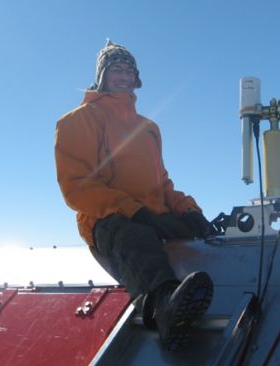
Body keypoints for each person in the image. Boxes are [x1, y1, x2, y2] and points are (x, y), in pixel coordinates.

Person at [54, 40, 215, 351]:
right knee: (136, 238)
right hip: (107, 218)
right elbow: (76, 187)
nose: (124, 76)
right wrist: (134, 211)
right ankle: (166, 307)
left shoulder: (149, 128)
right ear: (102, 76)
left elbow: (163, 183)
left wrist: (189, 211)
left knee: (198, 240)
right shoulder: (77, 120)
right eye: (117, 69)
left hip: (153, 214)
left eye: (130, 70)